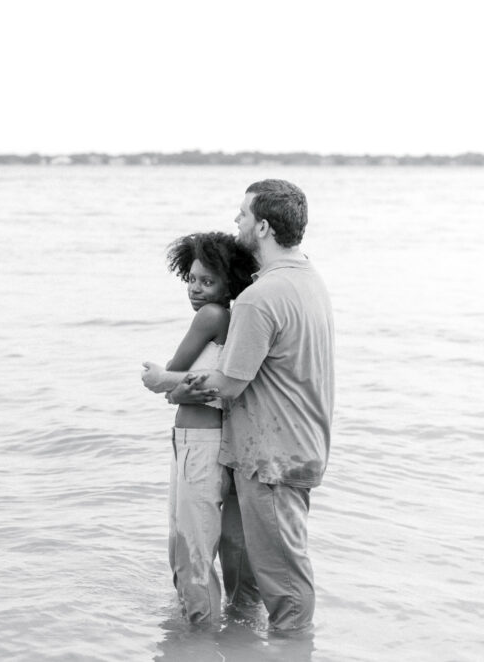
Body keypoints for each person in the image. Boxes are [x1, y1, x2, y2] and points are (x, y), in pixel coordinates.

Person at [151, 179, 334, 635]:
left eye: (243, 215)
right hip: (294, 445)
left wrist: (164, 383)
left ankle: (293, 648)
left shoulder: (260, 297)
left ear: (265, 226)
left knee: (283, 582)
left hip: (272, 455)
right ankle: (247, 645)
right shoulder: (308, 280)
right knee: (260, 574)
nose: (237, 222)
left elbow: (227, 385)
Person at [141, 231, 257, 624]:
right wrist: (178, 393)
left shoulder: (211, 316)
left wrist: (167, 386)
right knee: (215, 545)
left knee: (190, 549)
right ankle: (232, 633)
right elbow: (199, 386)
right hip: (216, 439)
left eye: (207, 281)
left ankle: (196, 638)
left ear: (229, 283)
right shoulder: (236, 318)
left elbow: (171, 373)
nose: (195, 289)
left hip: (196, 443)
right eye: (191, 279)